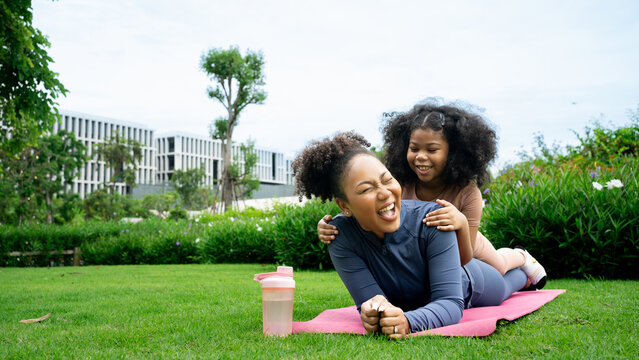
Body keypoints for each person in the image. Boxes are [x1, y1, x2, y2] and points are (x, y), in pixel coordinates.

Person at [292, 131, 529, 339]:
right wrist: (373, 312)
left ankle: (525, 265)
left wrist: (408, 322)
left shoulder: (434, 219)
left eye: (387, 180)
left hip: (470, 281)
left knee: (508, 285)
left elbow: (449, 303)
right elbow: (371, 300)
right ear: (344, 206)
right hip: (423, 292)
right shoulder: (340, 237)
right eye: (366, 189)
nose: (385, 193)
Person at [317, 102, 546, 289]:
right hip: (426, 251)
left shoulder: (468, 193)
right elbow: (365, 214)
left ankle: (522, 257)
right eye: (414, 148)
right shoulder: (399, 186)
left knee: (499, 266)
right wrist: (330, 226)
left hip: (466, 240)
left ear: (453, 153)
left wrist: (461, 224)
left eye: (432, 150)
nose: (421, 157)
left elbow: (462, 260)